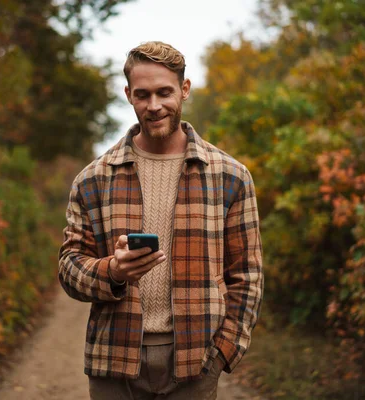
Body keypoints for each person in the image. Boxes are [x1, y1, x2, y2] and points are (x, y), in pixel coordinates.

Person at [58, 41, 263, 399]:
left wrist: (223, 353)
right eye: (143, 95)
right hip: (114, 364)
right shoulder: (93, 179)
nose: (154, 106)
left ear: (184, 89)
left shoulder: (231, 176)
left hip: (195, 365)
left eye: (164, 92)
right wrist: (113, 272)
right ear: (128, 95)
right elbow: (68, 268)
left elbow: (247, 275)